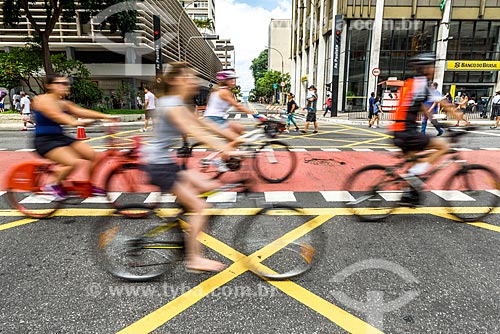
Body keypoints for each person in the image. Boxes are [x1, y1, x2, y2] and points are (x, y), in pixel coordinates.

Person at [143, 62, 242, 273]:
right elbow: (196, 132)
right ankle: (194, 259)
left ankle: (180, 217)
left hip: (165, 163)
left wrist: (233, 140)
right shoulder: (171, 105)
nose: (194, 81)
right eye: (189, 77)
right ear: (175, 80)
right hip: (159, 166)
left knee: (207, 184)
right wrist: (228, 150)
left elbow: (206, 125)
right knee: (201, 207)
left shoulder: (179, 102)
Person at [31, 74, 118, 200]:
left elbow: (81, 111)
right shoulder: (42, 100)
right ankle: (52, 186)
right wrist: (74, 122)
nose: (66, 86)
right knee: (72, 163)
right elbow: (56, 115)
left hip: (60, 137)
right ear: (49, 86)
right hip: (45, 140)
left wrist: (106, 116)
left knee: (94, 156)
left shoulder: (63, 103)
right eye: (61, 83)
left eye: (67, 83)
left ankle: (90, 185)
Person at [390, 53, 455, 204]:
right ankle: (415, 178)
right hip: (407, 131)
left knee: (413, 161)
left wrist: (434, 120)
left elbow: (420, 106)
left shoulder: (412, 83)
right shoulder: (422, 84)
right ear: (425, 68)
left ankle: (408, 195)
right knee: (443, 147)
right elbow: (443, 102)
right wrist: (462, 118)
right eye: (432, 66)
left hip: (399, 130)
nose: (434, 69)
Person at [203, 70, 254, 136]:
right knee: (235, 138)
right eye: (231, 80)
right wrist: (253, 114)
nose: (233, 82)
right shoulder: (225, 91)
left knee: (239, 128)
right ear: (226, 81)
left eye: (234, 80)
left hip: (217, 118)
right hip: (214, 119)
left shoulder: (218, 89)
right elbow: (237, 106)